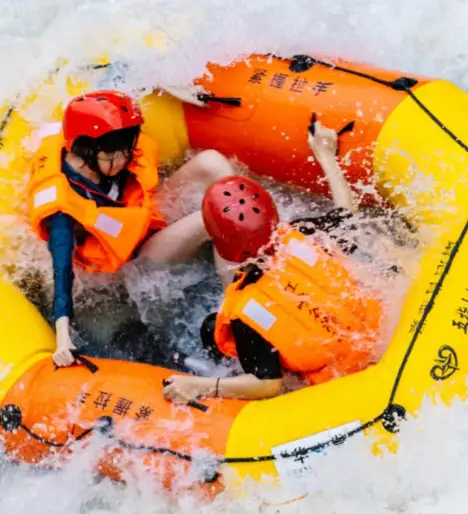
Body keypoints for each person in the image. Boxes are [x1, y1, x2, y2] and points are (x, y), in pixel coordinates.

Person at [161, 120, 385, 405]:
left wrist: (200, 385)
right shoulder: (301, 235)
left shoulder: (246, 315)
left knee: (210, 330)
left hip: (333, 382)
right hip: (370, 336)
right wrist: (326, 155)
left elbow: (267, 384)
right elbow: (347, 217)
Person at [25, 89, 234, 367]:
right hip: (135, 258)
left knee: (211, 162)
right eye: (114, 155)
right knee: (216, 214)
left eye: (127, 151)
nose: (123, 160)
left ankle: (252, 236)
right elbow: (61, 274)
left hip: (140, 212)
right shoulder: (62, 211)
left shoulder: (100, 150)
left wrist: (172, 86)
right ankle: (238, 299)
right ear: (86, 149)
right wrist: (63, 339)